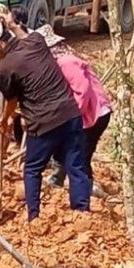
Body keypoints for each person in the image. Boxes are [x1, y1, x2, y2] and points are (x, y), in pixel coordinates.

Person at [0, 10, 86, 221]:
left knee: (33, 169)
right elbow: (23, 34)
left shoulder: (5, 68)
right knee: (76, 165)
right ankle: (82, 213)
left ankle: (34, 217)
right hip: (71, 113)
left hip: (44, 121)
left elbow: (11, 101)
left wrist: (5, 119)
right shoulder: (37, 40)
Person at [39, 26, 112, 198]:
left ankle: (84, 191)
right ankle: (59, 180)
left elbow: (83, 91)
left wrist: (71, 117)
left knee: (80, 153)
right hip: (84, 113)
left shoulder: (67, 62)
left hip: (94, 113)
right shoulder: (58, 63)